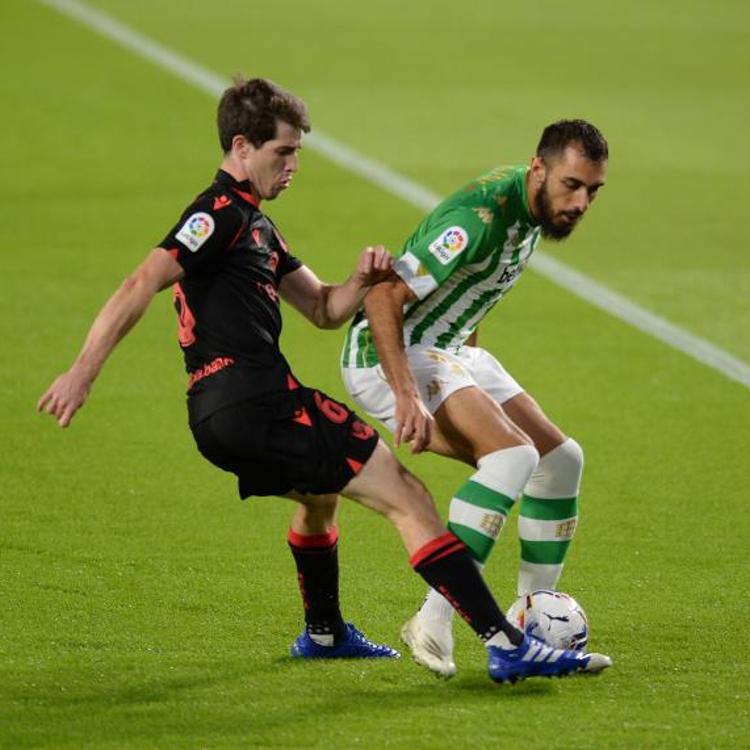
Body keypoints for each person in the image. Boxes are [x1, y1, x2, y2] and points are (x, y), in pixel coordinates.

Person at [38, 79, 610, 682]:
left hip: (215, 416)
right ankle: (503, 639)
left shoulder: (259, 229)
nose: (293, 167)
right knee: (411, 498)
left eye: (297, 154)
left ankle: (326, 632)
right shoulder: (217, 213)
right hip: (258, 401)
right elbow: (141, 282)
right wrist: (83, 370)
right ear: (241, 146)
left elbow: (323, 309)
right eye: (283, 153)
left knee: (320, 498)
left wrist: (362, 279)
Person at [340, 120, 609, 677]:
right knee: (512, 457)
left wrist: (470, 378)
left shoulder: (535, 210)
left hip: (449, 348)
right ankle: (433, 618)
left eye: (592, 191)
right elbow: (383, 295)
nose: (580, 202)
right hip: (394, 354)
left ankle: (527, 626)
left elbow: (472, 292)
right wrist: (409, 396)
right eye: (572, 185)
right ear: (538, 168)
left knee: (561, 461)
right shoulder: (478, 221)